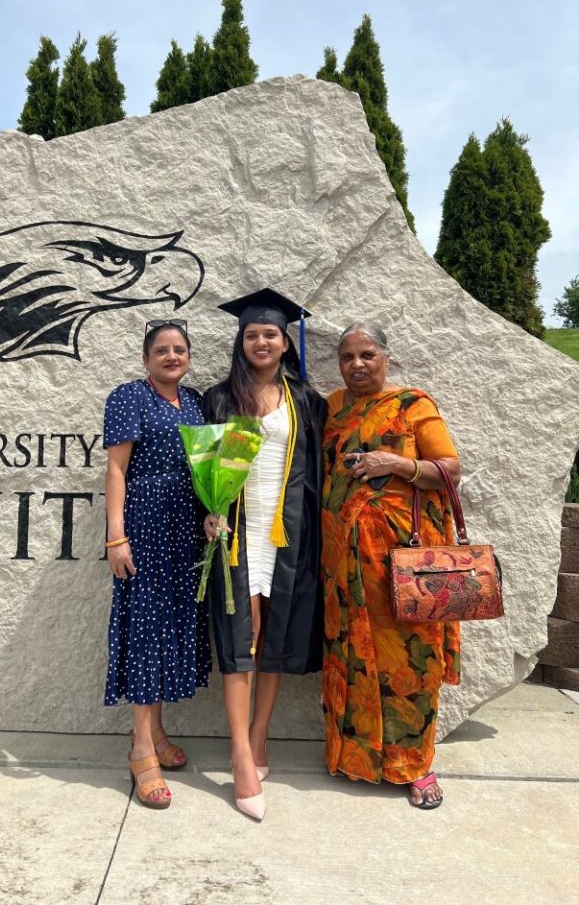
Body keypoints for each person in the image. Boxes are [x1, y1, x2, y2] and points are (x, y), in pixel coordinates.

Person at [321, 321, 461, 809]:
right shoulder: (335, 407)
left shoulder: (413, 406)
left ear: (386, 357)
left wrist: (395, 463)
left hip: (403, 563)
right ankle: (353, 758)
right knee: (349, 658)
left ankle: (415, 767)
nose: (357, 364)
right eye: (348, 357)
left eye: (367, 355)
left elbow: (449, 470)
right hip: (342, 564)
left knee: (410, 663)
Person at [202, 289, 326, 820]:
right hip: (237, 531)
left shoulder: (306, 400)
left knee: (275, 634)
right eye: (252, 334)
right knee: (240, 638)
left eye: (270, 334)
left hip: (289, 533)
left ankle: (259, 735)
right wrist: (208, 510)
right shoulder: (220, 399)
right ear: (242, 340)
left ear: (283, 342)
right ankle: (239, 753)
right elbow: (206, 468)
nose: (261, 341)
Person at [103, 319, 210, 809]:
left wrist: (211, 511)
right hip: (143, 528)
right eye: (162, 350)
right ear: (146, 359)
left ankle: (157, 732)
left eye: (180, 349)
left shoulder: (195, 404)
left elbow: (207, 469)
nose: (172, 356)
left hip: (184, 529)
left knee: (167, 629)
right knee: (146, 632)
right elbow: (116, 469)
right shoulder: (129, 397)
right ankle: (142, 750)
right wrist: (116, 536)